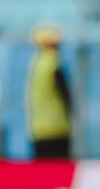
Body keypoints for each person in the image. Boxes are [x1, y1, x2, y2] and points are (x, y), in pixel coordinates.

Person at [27, 26, 72, 159]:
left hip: (38, 129)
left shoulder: (36, 63)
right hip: (57, 128)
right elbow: (65, 94)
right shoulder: (53, 63)